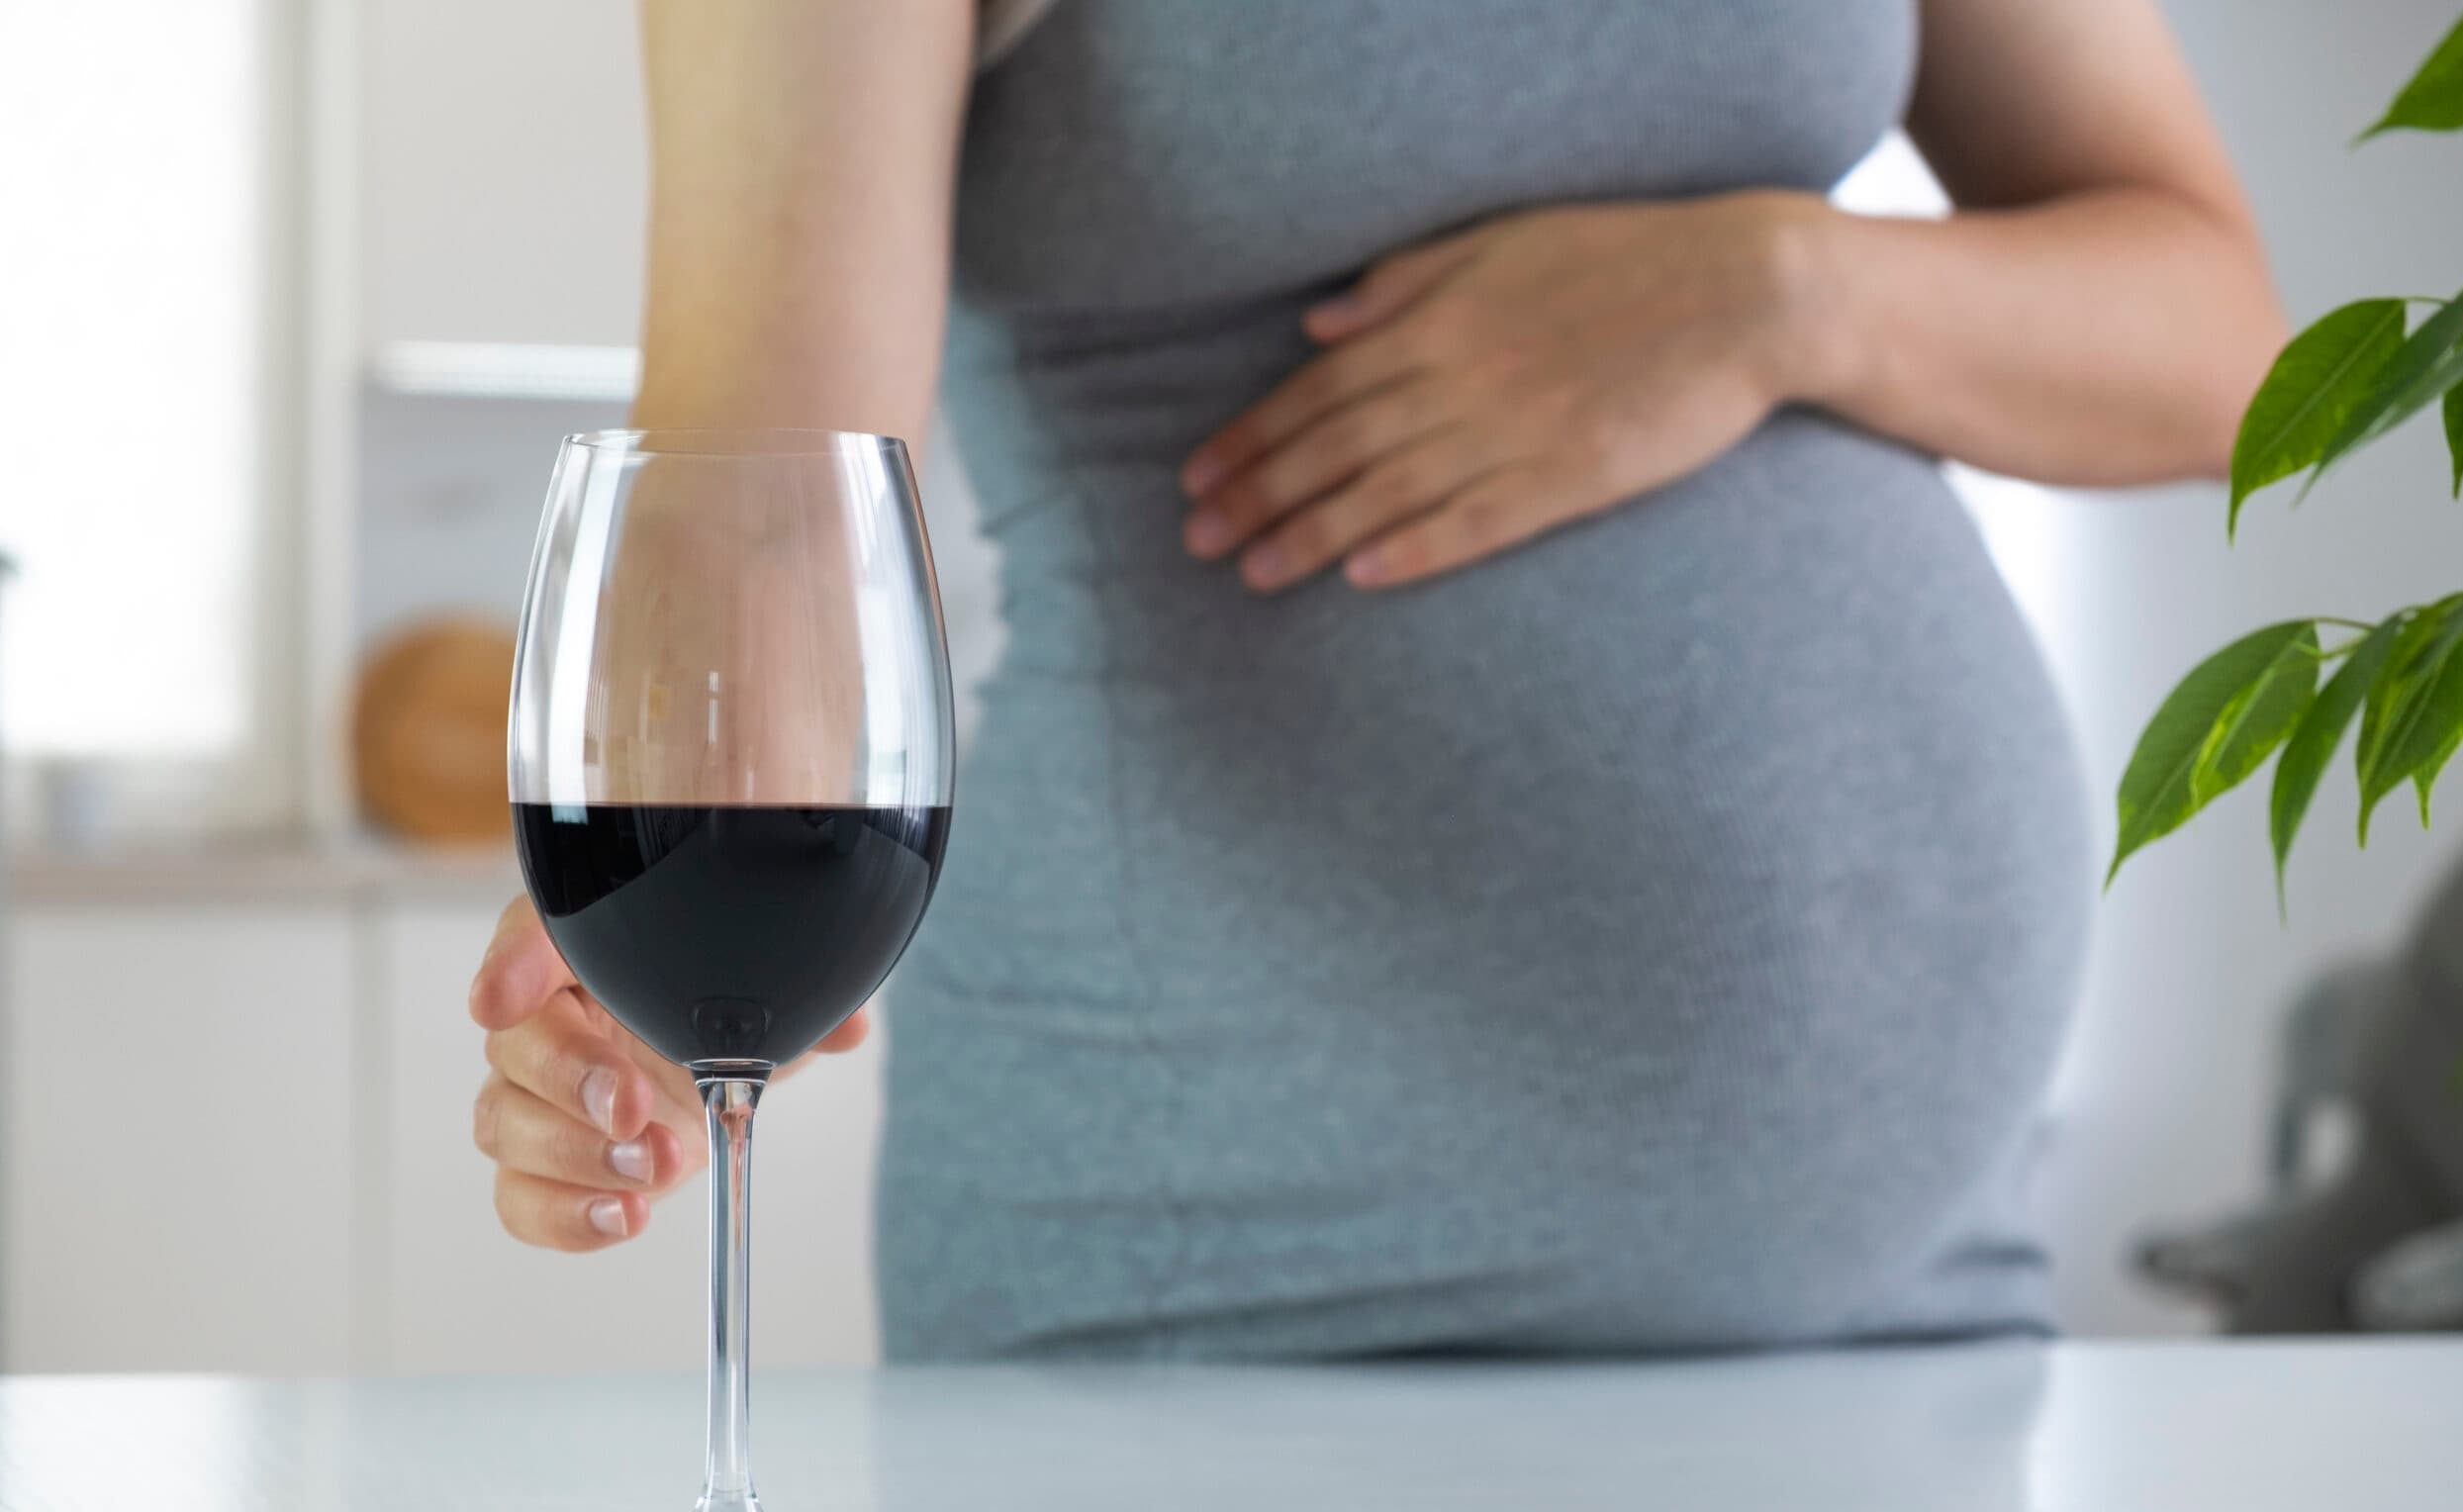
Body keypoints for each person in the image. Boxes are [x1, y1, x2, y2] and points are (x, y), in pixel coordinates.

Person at [466, 0, 2282, 1358]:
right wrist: (658, 949)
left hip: (1920, 1313)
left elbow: (2229, 355)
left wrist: (1785, 294)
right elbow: (764, 493)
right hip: (1238, 1303)